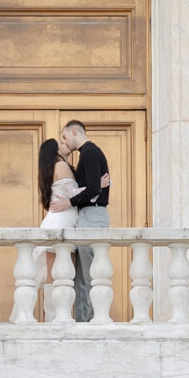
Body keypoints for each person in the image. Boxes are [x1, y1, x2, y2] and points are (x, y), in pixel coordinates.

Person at [57, 119, 110, 320]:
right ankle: (83, 321)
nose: (65, 141)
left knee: (90, 276)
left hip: (93, 215)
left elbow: (94, 189)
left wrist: (69, 202)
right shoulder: (85, 154)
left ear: (73, 131)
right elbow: (88, 184)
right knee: (81, 276)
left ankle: (95, 321)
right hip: (88, 215)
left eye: (64, 137)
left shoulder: (89, 152)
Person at [35, 137, 80, 313]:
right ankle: (60, 317)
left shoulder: (51, 169)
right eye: (60, 144)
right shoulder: (60, 166)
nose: (65, 144)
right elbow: (74, 194)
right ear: (55, 151)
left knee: (54, 277)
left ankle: (53, 318)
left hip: (57, 223)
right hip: (61, 225)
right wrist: (98, 186)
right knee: (63, 276)